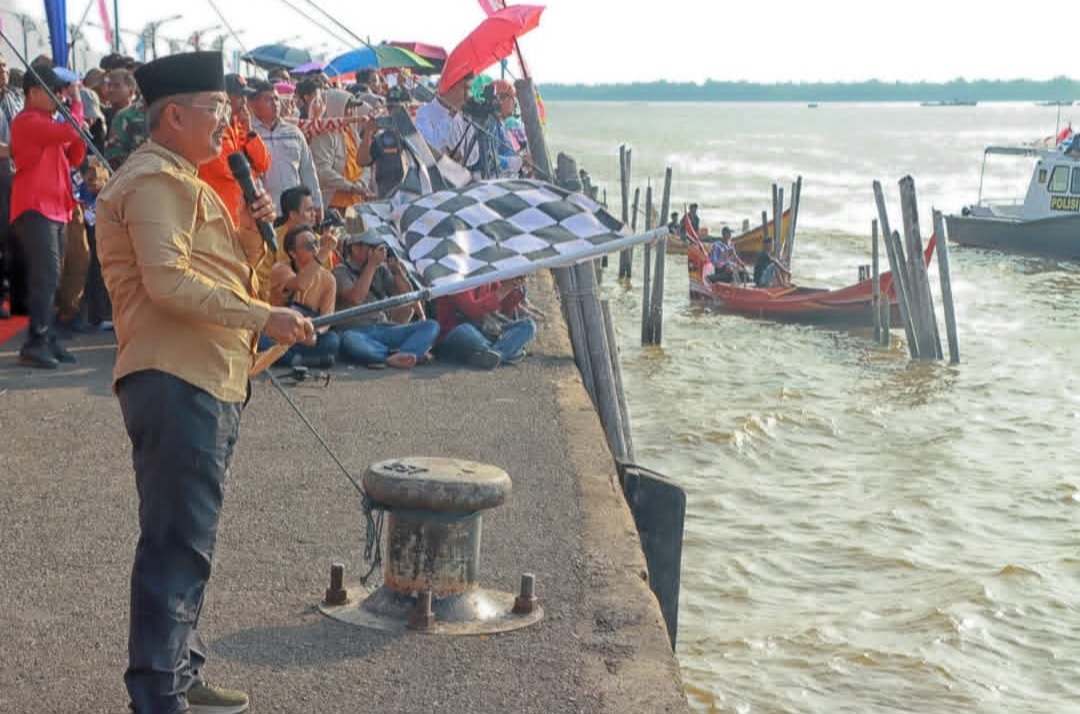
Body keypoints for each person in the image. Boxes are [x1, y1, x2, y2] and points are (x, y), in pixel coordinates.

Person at [95, 50, 312, 714]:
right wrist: (263, 314)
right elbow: (168, 283)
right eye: (219, 112)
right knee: (175, 543)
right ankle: (158, 693)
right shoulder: (156, 181)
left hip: (208, 377)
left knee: (193, 540)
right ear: (174, 115)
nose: (229, 125)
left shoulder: (189, 180)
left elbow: (224, 278)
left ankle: (181, 671)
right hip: (173, 377)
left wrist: (253, 243)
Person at [10, 65, 86, 367]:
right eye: (53, 91)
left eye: (61, 91)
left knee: (53, 276)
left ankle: (46, 336)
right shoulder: (27, 121)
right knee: (47, 275)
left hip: (56, 207)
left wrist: (79, 127)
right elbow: (70, 131)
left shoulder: (50, 122)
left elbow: (75, 154)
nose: (59, 97)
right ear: (33, 93)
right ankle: (36, 340)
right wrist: (77, 105)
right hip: (35, 206)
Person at [333, 229, 439, 369]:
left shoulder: (380, 270)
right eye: (373, 248)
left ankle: (401, 355)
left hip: (383, 328)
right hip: (356, 331)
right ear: (356, 248)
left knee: (431, 326)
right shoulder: (340, 271)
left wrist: (396, 270)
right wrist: (371, 265)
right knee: (350, 342)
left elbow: (407, 297)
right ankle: (394, 356)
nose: (379, 253)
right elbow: (356, 299)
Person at [260, 223, 341, 367]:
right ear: (293, 253)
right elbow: (300, 284)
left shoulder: (329, 279)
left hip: (308, 334)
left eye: (316, 244)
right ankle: (299, 360)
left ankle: (293, 358)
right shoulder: (280, 269)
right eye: (309, 246)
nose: (315, 249)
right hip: (280, 333)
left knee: (333, 340)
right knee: (260, 339)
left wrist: (314, 333)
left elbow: (327, 319)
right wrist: (324, 252)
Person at [197, 73, 272, 224]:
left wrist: (250, 130)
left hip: (243, 216)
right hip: (218, 216)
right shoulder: (211, 128)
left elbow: (264, 163)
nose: (244, 102)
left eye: (246, 96)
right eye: (239, 96)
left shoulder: (240, 127)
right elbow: (228, 171)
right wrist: (252, 172)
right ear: (225, 97)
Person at [248, 79, 324, 223]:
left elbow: (307, 170)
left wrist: (317, 202)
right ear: (253, 104)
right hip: (266, 213)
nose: (275, 103)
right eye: (268, 100)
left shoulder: (293, 132)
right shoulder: (248, 134)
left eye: (276, 99)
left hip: (295, 212)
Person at [434, 277, 536, 369]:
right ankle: (506, 353)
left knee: (528, 325)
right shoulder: (456, 277)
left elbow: (505, 308)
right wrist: (505, 289)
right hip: (454, 334)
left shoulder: (487, 274)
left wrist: (515, 286)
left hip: (486, 331)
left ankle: (494, 354)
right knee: (464, 330)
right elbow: (471, 309)